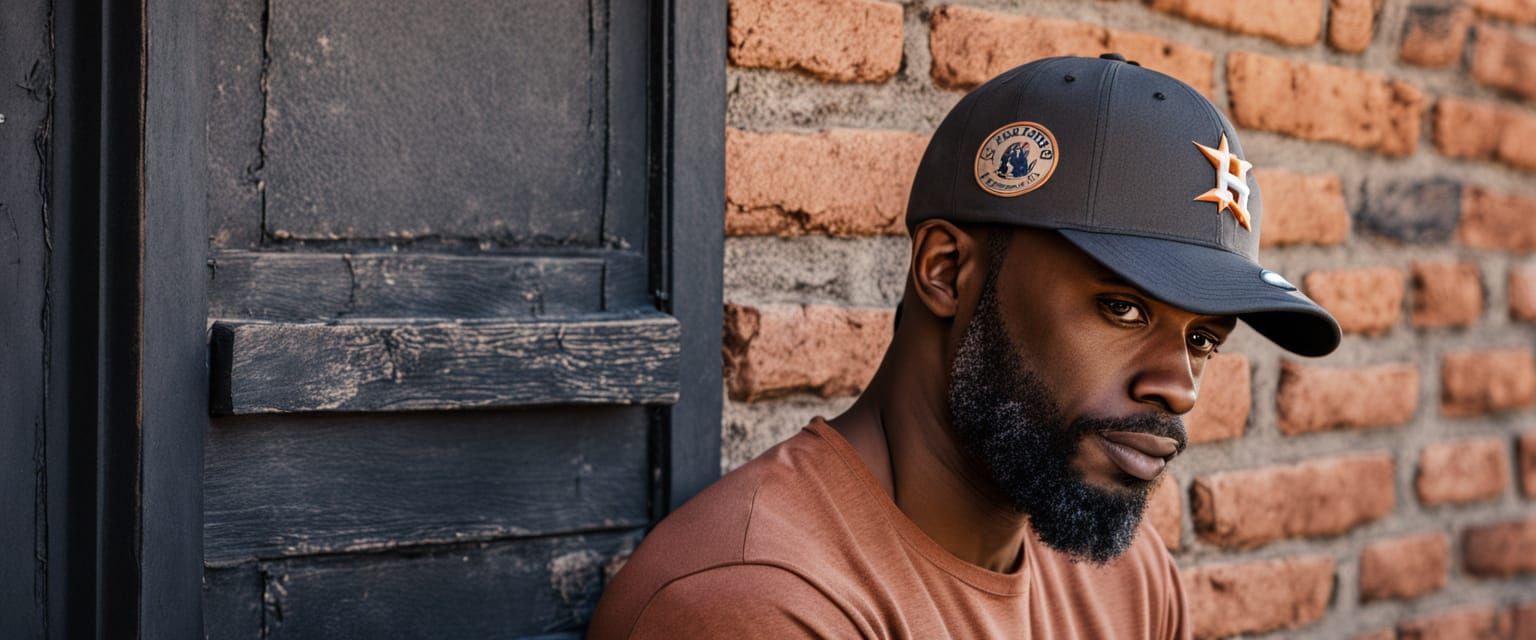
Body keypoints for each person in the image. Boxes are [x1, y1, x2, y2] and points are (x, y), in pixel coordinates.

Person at [588, 53, 1341, 639]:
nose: (1180, 389)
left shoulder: (1129, 580)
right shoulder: (758, 598)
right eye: (1121, 308)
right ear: (947, 272)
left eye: (1204, 339)